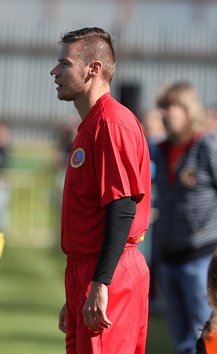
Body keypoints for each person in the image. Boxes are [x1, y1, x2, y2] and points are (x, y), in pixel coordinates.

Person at [50, 27, 152, 354]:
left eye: (64, 64)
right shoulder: (92, 124)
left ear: (92, 69)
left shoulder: (110, 123)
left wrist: (101, 283)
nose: (54, 72)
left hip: (110, 271)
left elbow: (122, 206)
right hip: (89, 270)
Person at [151, 81, 217, 354]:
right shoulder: (159, 151)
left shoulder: (209, 146)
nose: (162, 114)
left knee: (208, 337)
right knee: (183, 341)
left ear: (187, 109)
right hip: (168, 259)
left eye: (168, 107)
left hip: (203, 259)